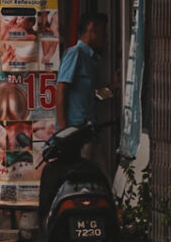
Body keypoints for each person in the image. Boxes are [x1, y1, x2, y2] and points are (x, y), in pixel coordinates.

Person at [38, 12, 114, 225]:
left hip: (89, 134)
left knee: (103, 184)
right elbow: (61, 89)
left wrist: (113, 88)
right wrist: (65, 132)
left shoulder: (91, 61)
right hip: (76, 138)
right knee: (80, 188)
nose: (105, 39)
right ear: (92, 28)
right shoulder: (76, 54)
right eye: (103, 33)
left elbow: (91, 96)